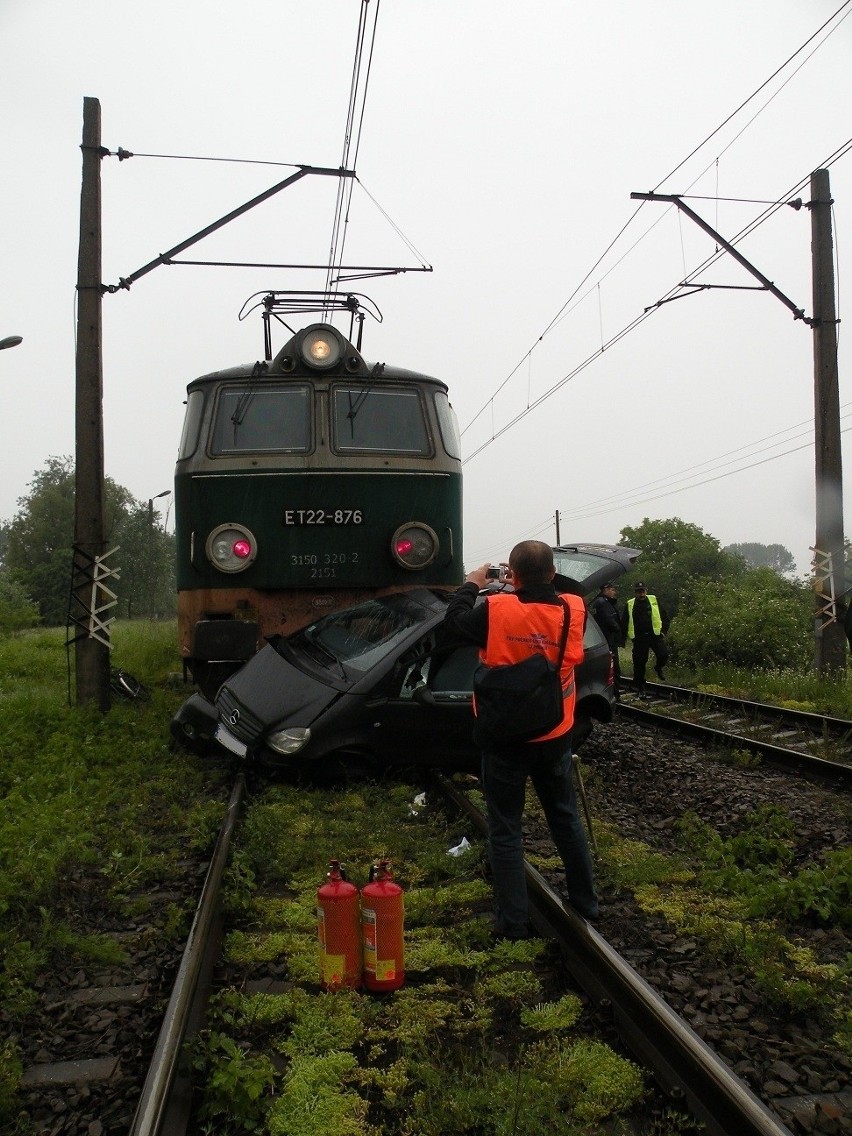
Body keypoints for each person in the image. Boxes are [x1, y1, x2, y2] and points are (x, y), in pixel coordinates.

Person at [438, 540, 599, 937]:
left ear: (511, 573)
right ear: (551, 573)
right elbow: (560, 589)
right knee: (565, 818)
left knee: (506, 829)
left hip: (503, 736)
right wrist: (531, 577)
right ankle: (586, 902)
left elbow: (451, 625)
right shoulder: (572, 609)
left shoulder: (494, 610)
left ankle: (512, 923)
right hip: (554, 731)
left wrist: (474, 584)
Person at [620, 582, 670, 696]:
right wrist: (622, 640)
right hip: (639, 638)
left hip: (654, 636)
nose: (641, 593)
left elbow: (665, 617)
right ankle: (641, 687)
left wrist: (663, 632)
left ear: (646, 591)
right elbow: (624, 623)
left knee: (664, 655)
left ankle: (658, 667)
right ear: (635, 593)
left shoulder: (654, 600)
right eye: (639, 591)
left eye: (643, 591)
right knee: (639, 664)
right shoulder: (630, 604)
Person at [589, 581, 623, 699]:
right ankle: (615, 694)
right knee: (614, 669)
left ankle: (614, 693)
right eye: (612, 590)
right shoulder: (603, 603)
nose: (614, 592)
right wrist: (618, 628)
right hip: (609, 641)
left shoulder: (602, 602)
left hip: (606, 641)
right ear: (606, 589)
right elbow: (610, 622)